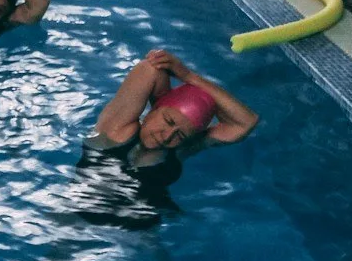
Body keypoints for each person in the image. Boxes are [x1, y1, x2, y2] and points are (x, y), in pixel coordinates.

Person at [80, 48, 260, 194]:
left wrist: (191, 77)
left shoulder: (183, 148)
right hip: (82, 215)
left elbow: (246, 122)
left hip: (139, 227)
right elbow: (150, 69)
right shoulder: (116, 128)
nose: (167, 137)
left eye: (180, 134)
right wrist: (172, 88)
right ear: (154, 107)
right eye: (168, 121)